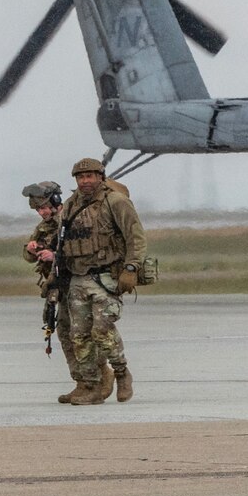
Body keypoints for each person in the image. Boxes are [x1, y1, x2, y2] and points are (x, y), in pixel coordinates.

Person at [52, 157, 147, 405]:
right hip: (77, 278)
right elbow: (63, 243)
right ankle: (91, 385)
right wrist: (56, 274)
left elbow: (136, 238)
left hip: (106, 277)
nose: (85, 181)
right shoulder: (71, 206)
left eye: (90, 176)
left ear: (100, 177)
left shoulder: (116, 202)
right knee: (79, 335)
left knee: (102, 330)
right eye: (81, 177)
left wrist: (131, 268)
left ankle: (121, 372)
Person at [23, 180, 113, 403]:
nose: (42, 212)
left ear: (55, 202)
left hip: (80, 283)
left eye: (44, 207)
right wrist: (32, 250)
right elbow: (28, 254)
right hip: (59, 286)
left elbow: (84, 251)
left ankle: (100, 375)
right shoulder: (45, 226)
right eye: (38, 209)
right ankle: (82, 382)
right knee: (65, 333)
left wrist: (56, 257)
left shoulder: (73, 221)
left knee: (82, 333)